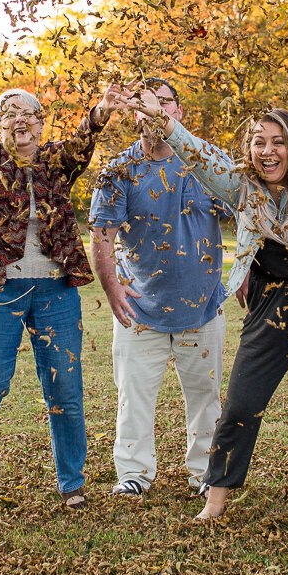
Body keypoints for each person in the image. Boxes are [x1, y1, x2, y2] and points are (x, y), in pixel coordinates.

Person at [127, 60, 288, 532]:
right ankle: (216, 498)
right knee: (241, 402)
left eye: (278, 140)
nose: (268, 150)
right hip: (272, 305)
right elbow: (195, 151)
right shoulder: (241, 186)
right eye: (259, 142)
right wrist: (160, 116)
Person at [0, 28, 125, 511]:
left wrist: (103, 109)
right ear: (1, 126)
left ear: (43, 124)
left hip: (55, 289)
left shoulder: (56, 163)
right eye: (9, 114)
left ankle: (71, 481)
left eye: (28, 114)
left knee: (64, 384)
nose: (18, 121)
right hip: (0, 289)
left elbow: (85, 139)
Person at [88, 77, 231, 498]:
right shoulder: (119, 170)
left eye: (163, 103)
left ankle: (205, 473)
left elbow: (250, 212)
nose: (154, 111)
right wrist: (113, 289)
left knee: (206, 398)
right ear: (133, 115)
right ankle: (134, 474)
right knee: (134, 398)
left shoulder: (207, 162)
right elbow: (101, 237)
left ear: (178, 112)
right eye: (144, 104)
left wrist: (243, 276)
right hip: (140, 310)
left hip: (202, 306)